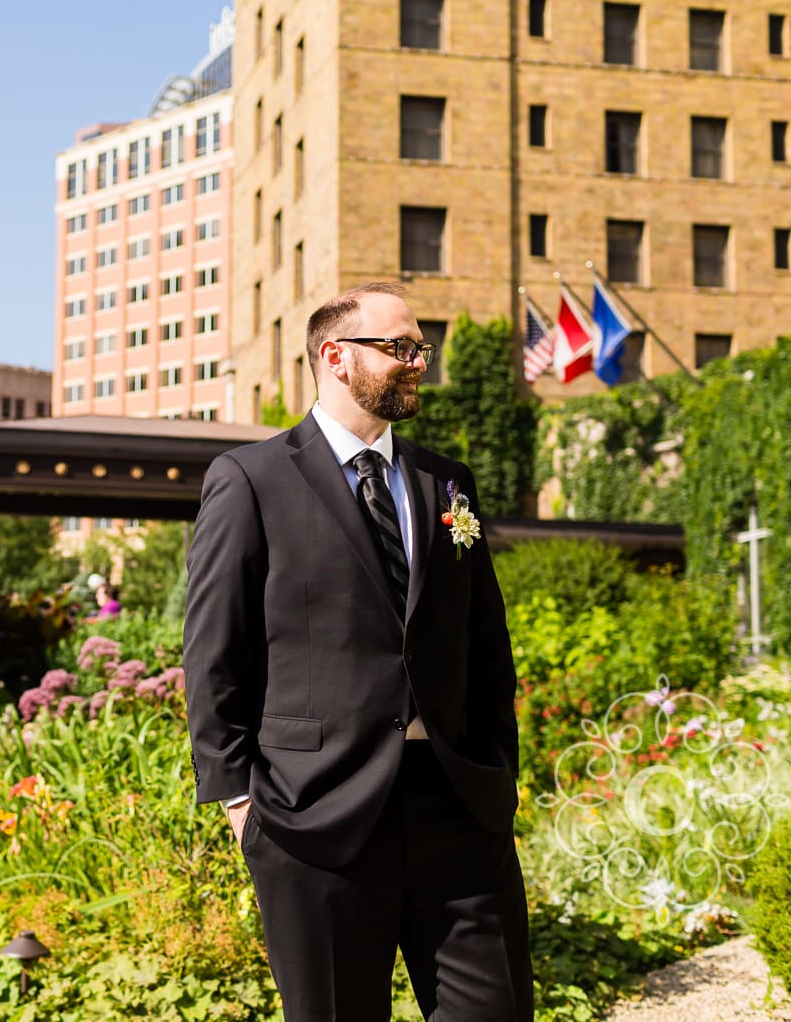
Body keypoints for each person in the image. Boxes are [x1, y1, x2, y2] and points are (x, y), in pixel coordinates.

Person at [183, 282, 531, 1020]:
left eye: (419, 349)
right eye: (400, 347)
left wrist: (499, 766)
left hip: (458, 805)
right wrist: (243, 805)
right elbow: (214, 651)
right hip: (315, 818)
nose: (417, 363)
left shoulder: (447, 481)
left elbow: (485, 641)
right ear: (335, 356)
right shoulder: (251, 479)